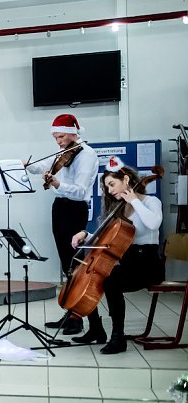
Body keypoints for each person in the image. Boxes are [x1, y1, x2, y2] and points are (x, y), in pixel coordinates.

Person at [69, 157, 164, 354]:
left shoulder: (151, 202)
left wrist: (134, 201)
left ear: (126, 180)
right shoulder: (118, 208)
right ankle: (96, 328)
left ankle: (118, 337)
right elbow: (105, 236)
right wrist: (85, 234)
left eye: (112, 185)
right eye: (107, 187)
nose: (110, 191)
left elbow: (154, 224)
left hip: (148, 264)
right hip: (128, 261)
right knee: (96, 278)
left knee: (111, 282)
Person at [26, 114, 98, 336]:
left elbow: (80, 190)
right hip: (60, 207)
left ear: (75, 133)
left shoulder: (86, 155)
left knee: (76, 266)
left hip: (75, 210)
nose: (58, 141)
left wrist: (58, 182)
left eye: (62, 136)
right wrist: (26, 165)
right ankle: (72, 313)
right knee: (66, 265)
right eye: (55, 137)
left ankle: (83, 318)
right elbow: (44, 165)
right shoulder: (64, 151)